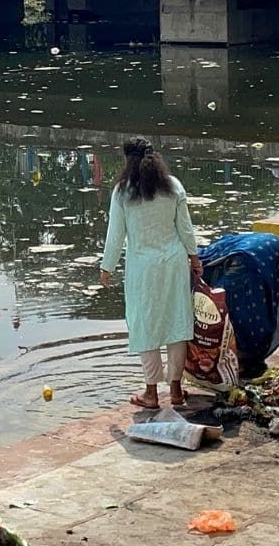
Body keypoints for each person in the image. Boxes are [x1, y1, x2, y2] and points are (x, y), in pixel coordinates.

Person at [100, 138, 203, 409]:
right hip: (174, 264)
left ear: (127, 160)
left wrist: (107, 267)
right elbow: (185, 228)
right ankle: (176, 390)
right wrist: (194, 258)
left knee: (145, 324)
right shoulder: (173, 186)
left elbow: (115, 235)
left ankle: (151, 393)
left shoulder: (123, 192)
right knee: (177, 322)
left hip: (142, 268)